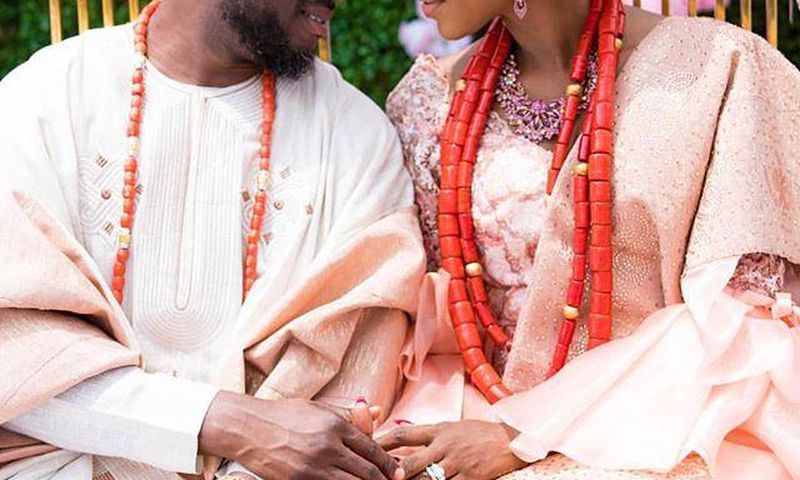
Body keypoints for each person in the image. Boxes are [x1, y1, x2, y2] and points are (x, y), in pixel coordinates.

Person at [0, 0, 424, 479]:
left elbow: (348, 390)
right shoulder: (42, 100)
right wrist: (219, 423)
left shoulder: (356, 136)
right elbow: (15, 360)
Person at [380, 0, 800, 478]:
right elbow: (430, 308)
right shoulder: (427, 103)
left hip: (677, 417)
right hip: (472, 408)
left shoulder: (721, 69)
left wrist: (528, 436)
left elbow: (743, 317)